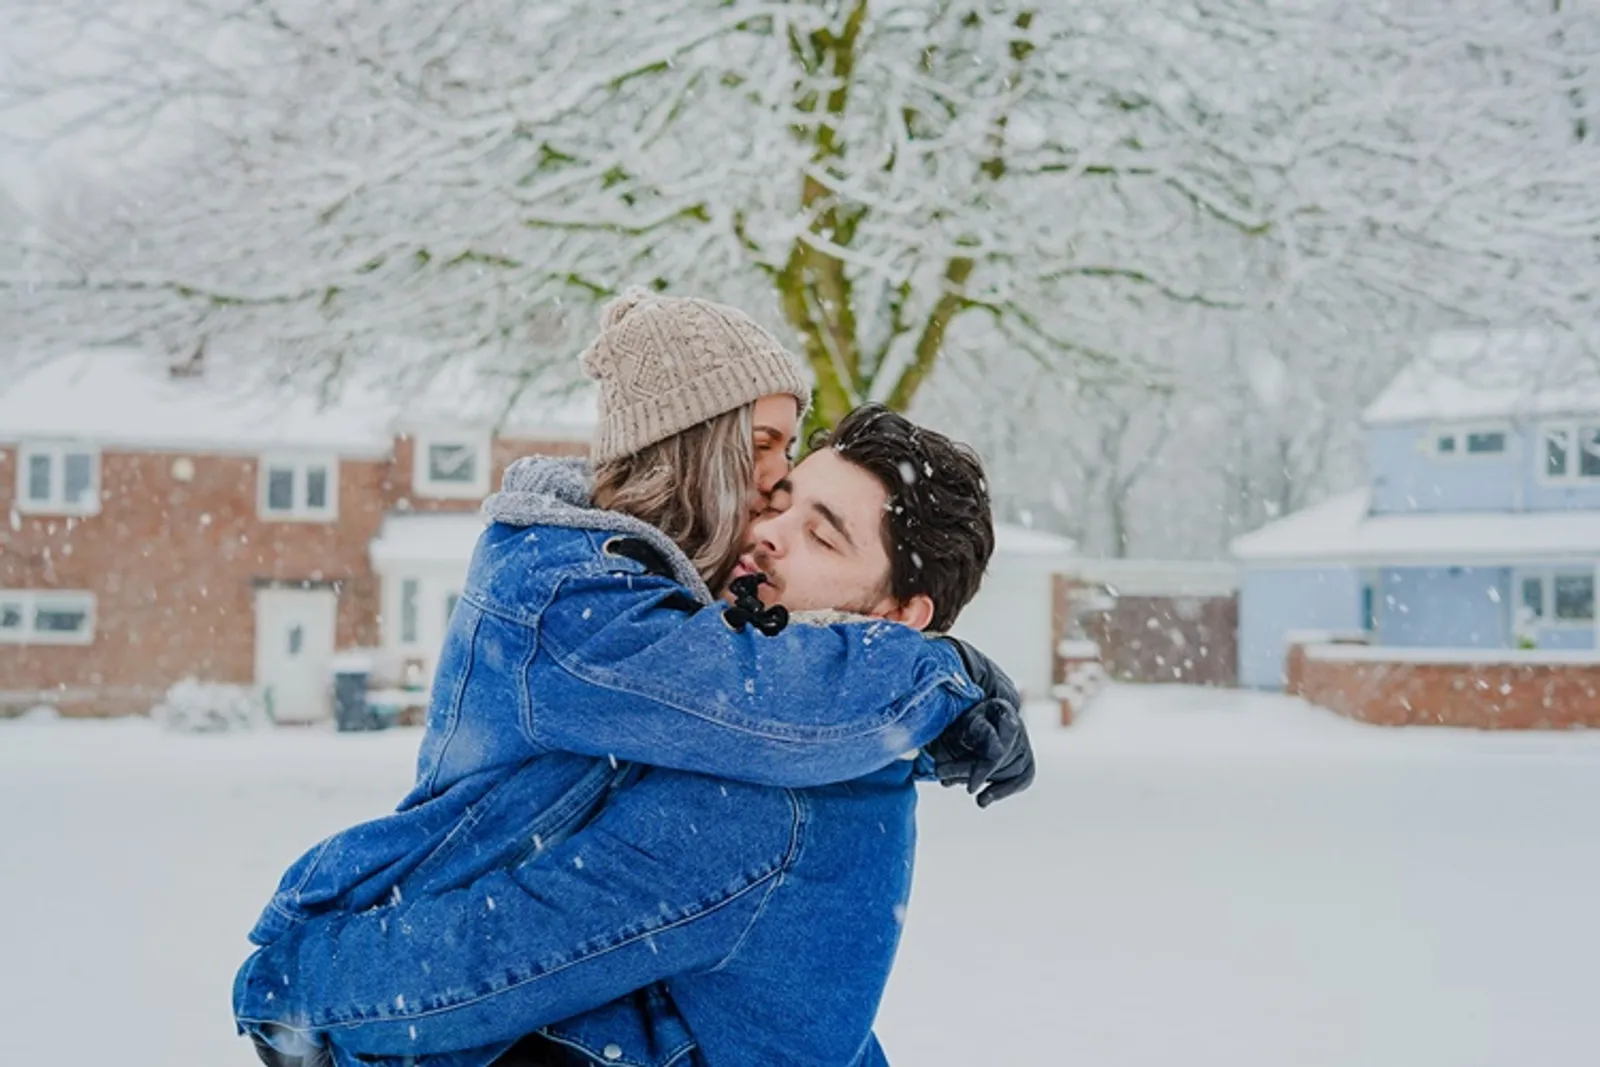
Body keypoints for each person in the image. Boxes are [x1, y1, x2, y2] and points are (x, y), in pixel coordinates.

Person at [235, 292, 1031, 1065]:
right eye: (775, 484)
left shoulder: (768, 788)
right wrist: (948, 681)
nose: (767, 527)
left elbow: (510, 946)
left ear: (900, 618)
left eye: (820, 537)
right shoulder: (610, 618)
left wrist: (300, 988)